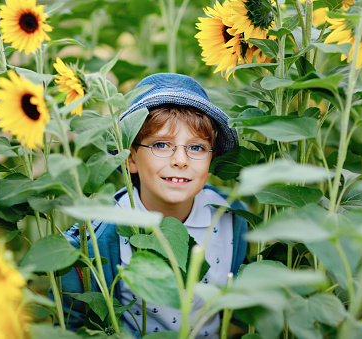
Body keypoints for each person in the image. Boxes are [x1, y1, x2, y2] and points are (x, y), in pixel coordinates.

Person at [55, 73, 248, 337]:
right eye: (161, 144)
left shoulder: (231, 217)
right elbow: (73, 322)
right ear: (129, 158)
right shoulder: (101, 234)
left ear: (211, 164)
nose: (180, 160)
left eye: (197, 148)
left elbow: (240, 310)